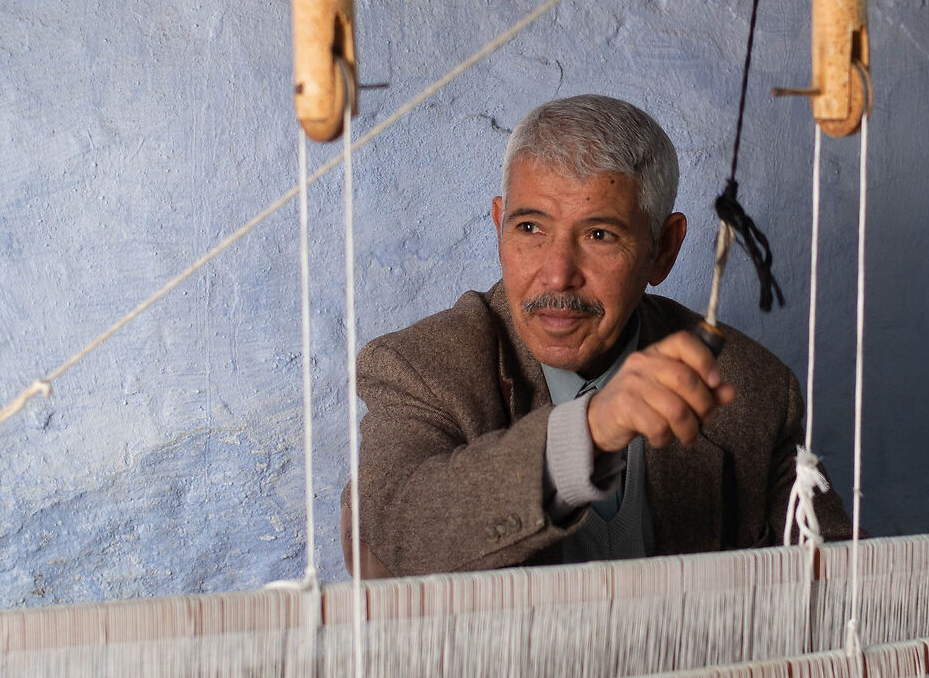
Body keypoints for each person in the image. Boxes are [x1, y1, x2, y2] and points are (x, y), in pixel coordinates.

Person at [345, 94, 849, 578]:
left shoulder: (751, 387)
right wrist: (590, 432)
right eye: (529, 229)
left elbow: (843, 581)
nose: (558, 275)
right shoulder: (419, 368)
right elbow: (398, 532)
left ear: (664, 250)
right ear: (499, 226)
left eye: (599, 235)